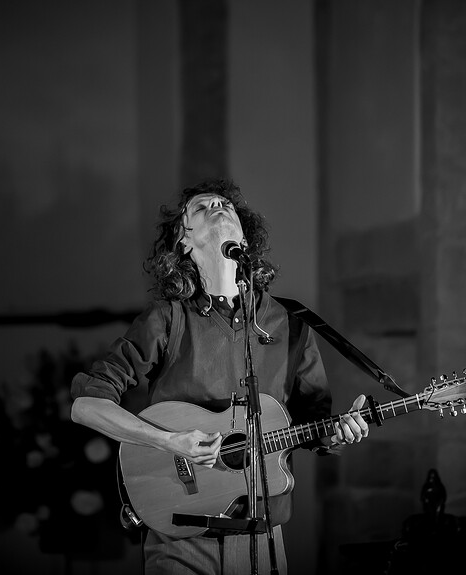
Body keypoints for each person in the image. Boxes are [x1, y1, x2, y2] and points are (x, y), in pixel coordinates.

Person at [70, 178, 370, 574]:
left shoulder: (291, 324)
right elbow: (86, 406)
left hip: (263, 539)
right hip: (181, 539)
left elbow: (315, 422)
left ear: (244, 237)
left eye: (225, 204)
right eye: (201, 207)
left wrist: (337, 432)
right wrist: (170, 440)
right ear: (184, 243)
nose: (218, 205)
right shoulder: (168, 319)